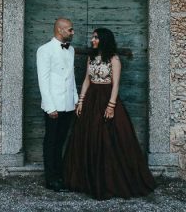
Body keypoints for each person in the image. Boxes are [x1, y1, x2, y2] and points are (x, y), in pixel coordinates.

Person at [63, 27, 155, 200]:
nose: (93, 40)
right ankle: (86, 181)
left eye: (96, 37)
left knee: (107, 137)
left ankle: (110, 181)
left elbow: (116, 85)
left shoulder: (114, 59)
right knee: (88, 136)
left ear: (104, 39)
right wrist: (81, 101)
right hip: (91, 99)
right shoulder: (91, 57)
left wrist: (111, 106)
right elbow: (86, 80)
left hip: (106, 98)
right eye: (92, 37)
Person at [36, 18, 78, 192]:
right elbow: (43, 80)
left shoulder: (71, 50)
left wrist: (75, 100)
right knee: (51, 142)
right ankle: (51, 179)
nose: (72, 32)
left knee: (61, 141)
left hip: (68, 104)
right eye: (70, 29)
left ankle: (60, 175)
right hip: (53, 105)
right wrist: (50, 106)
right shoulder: (44, 50)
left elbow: (71, 77)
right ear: (60, 30)